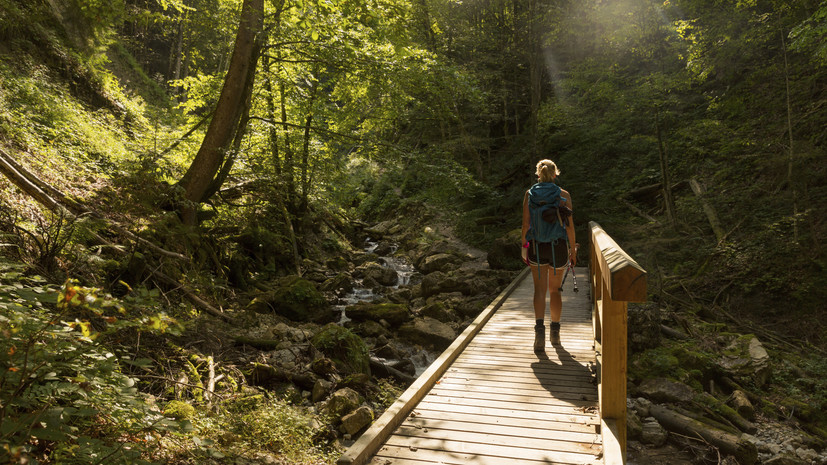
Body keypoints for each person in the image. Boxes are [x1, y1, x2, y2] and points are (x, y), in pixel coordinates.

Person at [521, 159, 577, 352]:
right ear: (555, 175)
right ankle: (555, 333)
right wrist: (573, 249)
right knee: (555, 291)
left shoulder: (530, 194)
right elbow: (569, 226)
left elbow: (525, 224)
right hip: (558, 246)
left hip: (536, 247)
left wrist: (524, 246)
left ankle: (539, 335)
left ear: (538, 174)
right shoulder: (563, 195)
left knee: (539, 291)